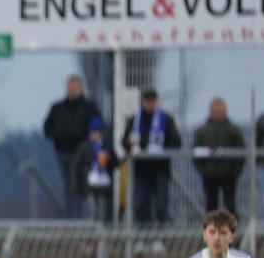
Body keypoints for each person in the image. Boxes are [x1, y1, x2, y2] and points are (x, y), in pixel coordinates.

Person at [43, 76, 102, 219]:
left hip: (82, 154)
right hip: (62, 152)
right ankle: (70, 221)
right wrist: (58, 135)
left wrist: (87, 141)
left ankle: (82, 220)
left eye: (74, 86)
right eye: (70, 86)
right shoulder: (57, 108)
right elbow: (46, 128)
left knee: (80, 187)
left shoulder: (89, 108)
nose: (72, 89)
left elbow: (99, 127)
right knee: (68, 188)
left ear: (80, 88)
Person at [121, 89, 182, 225]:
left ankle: (160, 237)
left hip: (160, 169)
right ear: (143, 102)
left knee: (161, 204)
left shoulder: (166, 119)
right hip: (141, 171)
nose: (150, 104)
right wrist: (129, 143)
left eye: (153, 101)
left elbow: (176, 141)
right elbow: (124, 141)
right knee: (141, 204)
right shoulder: (133, 120)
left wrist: (162, 151)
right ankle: (142, 236)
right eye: (147, 101)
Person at [192, 98, 245, 216]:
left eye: (219, 110)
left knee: (230, 205)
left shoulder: (234, 130)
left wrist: (235, 170)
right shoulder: (201, 131)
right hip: (209, 174)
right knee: (211, 206)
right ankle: (211, 231)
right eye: (214, 110)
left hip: (229, 174)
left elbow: (241, 151)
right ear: (210, 111)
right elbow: (195, 151)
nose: (217, 113)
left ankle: (232, 230)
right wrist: (203, 170)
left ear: (225, 111)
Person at [72, 117, 119, 223]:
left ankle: (101, 232)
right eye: (93, 132)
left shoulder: (106, 146)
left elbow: (116, 163)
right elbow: (77, 166)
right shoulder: (84, 147)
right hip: (89, 185)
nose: (95, 135)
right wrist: (78, 185)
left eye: (97, 132)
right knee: (91, 210)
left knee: (102, 210)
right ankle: (91, 233)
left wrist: (108, 159)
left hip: (103, 186)